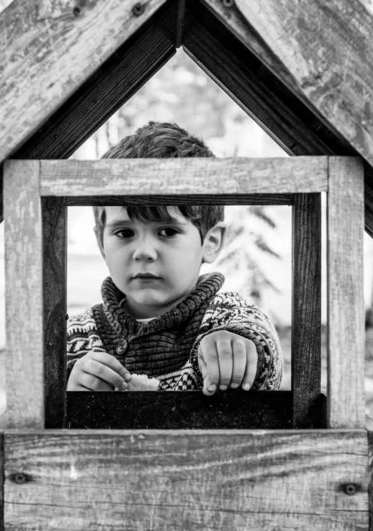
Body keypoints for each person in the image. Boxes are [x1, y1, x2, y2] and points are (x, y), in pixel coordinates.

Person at [67, 121, 283, 395]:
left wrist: (234, 348)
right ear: (101, 243)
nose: (144, 251)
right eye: (124, 233)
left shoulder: (225, 319)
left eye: (167, 231)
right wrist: (70, 395)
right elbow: (41, 411)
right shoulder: (75, 336)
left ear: (211, 242)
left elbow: (263, 346)